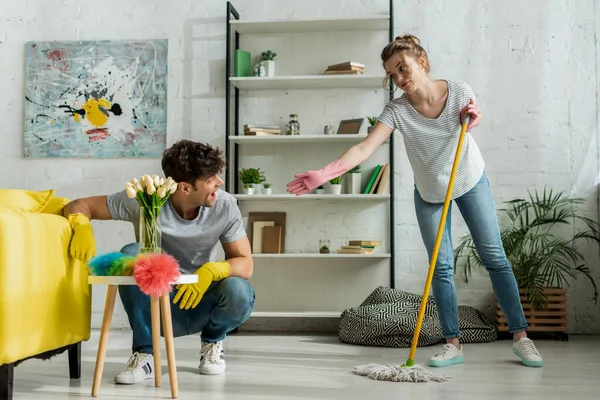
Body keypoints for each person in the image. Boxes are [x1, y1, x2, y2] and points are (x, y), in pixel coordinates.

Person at [286, 35, 543, 368]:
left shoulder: (459, 91)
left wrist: (474, 116)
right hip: (430, 193)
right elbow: (365, 148)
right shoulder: (397, 110)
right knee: (442, 265)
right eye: (392, 74)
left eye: (402, 68)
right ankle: (453, 343)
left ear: (422, 61)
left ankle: (522, 338)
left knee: (494, 255)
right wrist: (324, 173)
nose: (399, 79)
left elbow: (473, 114)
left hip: (469, 181)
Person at [63, 139, 255, 384]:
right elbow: (79, 205)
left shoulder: (224, 205)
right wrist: (81, 225)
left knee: (239, 290)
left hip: (200, 301)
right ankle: (145, 355)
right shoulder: (145, 199)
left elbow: (245, 264)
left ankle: (212, 342)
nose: (219, 182)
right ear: (185, 188)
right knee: (132, 252)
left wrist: (212, 270)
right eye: (210, 178)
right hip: (154, 302)